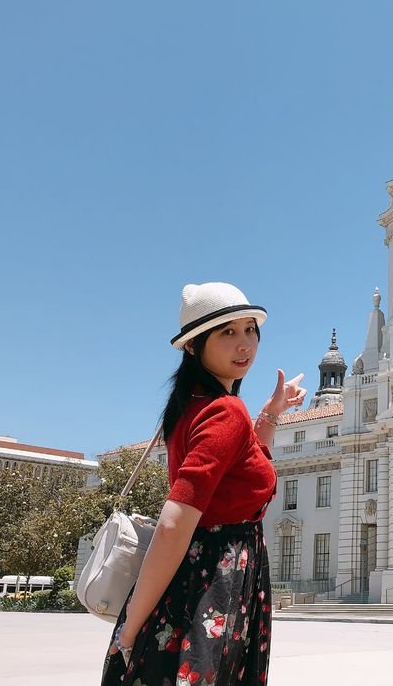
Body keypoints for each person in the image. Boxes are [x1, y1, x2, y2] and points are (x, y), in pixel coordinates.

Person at [102, 282, 306, 686]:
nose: (244, 343)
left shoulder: (191, 405)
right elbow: (174, 523)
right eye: (227, 332)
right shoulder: (225, 412)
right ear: (194, 345)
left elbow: (241, 472)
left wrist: (270, 414)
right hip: (214, 582)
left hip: (199, 577)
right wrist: (128, 631)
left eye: (250, 329)